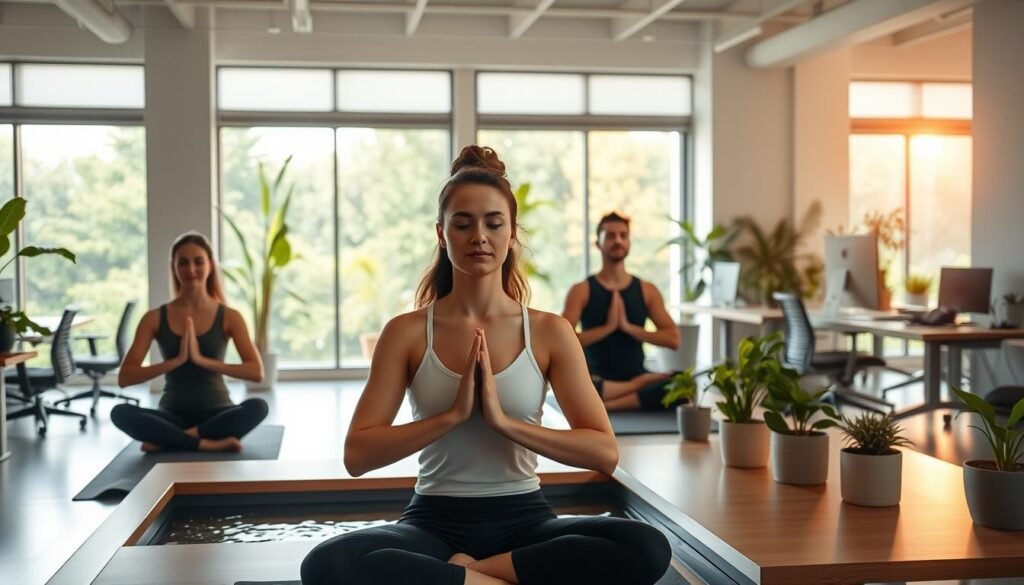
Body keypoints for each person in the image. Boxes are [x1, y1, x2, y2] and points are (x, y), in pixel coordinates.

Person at [300, 146, 670, 585]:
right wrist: (452, 416)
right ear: (442, 234)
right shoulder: (407, 332)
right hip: (431, 523)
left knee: (648, 546)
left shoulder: (549, 332)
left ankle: (469, 577)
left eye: (494, 224)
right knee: (327, 564)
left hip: (526, 521)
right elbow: (357, 455)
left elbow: (604, 452)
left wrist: (504, 422)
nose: (479, 236)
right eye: (463, 224)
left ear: (511, 232)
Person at [112, 232, 268, 453]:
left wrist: (202, 360)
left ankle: (172, 440)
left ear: (211, 265)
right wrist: (176, 361)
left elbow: (256, 372)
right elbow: (125, 377)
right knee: (120, 412)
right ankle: (205, 442)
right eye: (183, 262)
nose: (191, 269)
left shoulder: (230, 316)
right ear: (174, 267)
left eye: (198, 261)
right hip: (171, 414)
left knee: (258, 407)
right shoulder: (154, 317)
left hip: (218, 412)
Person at [562, 212, 682, 411]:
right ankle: (635, 391)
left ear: (629, 242)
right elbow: (562, 339)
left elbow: (673, 339)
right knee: (572, 384)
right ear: (598, 243)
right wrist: (607, 328)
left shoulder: (646, 290)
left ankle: (607, 406)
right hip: (597, 379)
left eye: (623, 235)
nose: (617, 240)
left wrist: (628, 328)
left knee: (682, 383)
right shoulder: (581, 290)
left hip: (636, 373)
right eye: (610, 236)